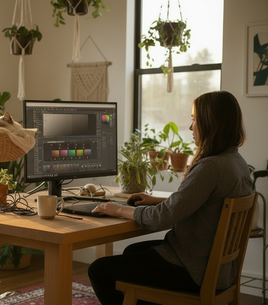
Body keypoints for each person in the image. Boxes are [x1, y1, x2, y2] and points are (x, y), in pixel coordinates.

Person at [88, 91, 253, 305]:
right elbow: (204, 203)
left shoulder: (210, 167)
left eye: (195, 119)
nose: (191, 127)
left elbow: (163, 218)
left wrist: (117, 209)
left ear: (211, 123)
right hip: (217, 267)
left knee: (99, 270)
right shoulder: (236, 162)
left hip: (194, 268)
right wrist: (155, 200)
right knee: (132, 251)